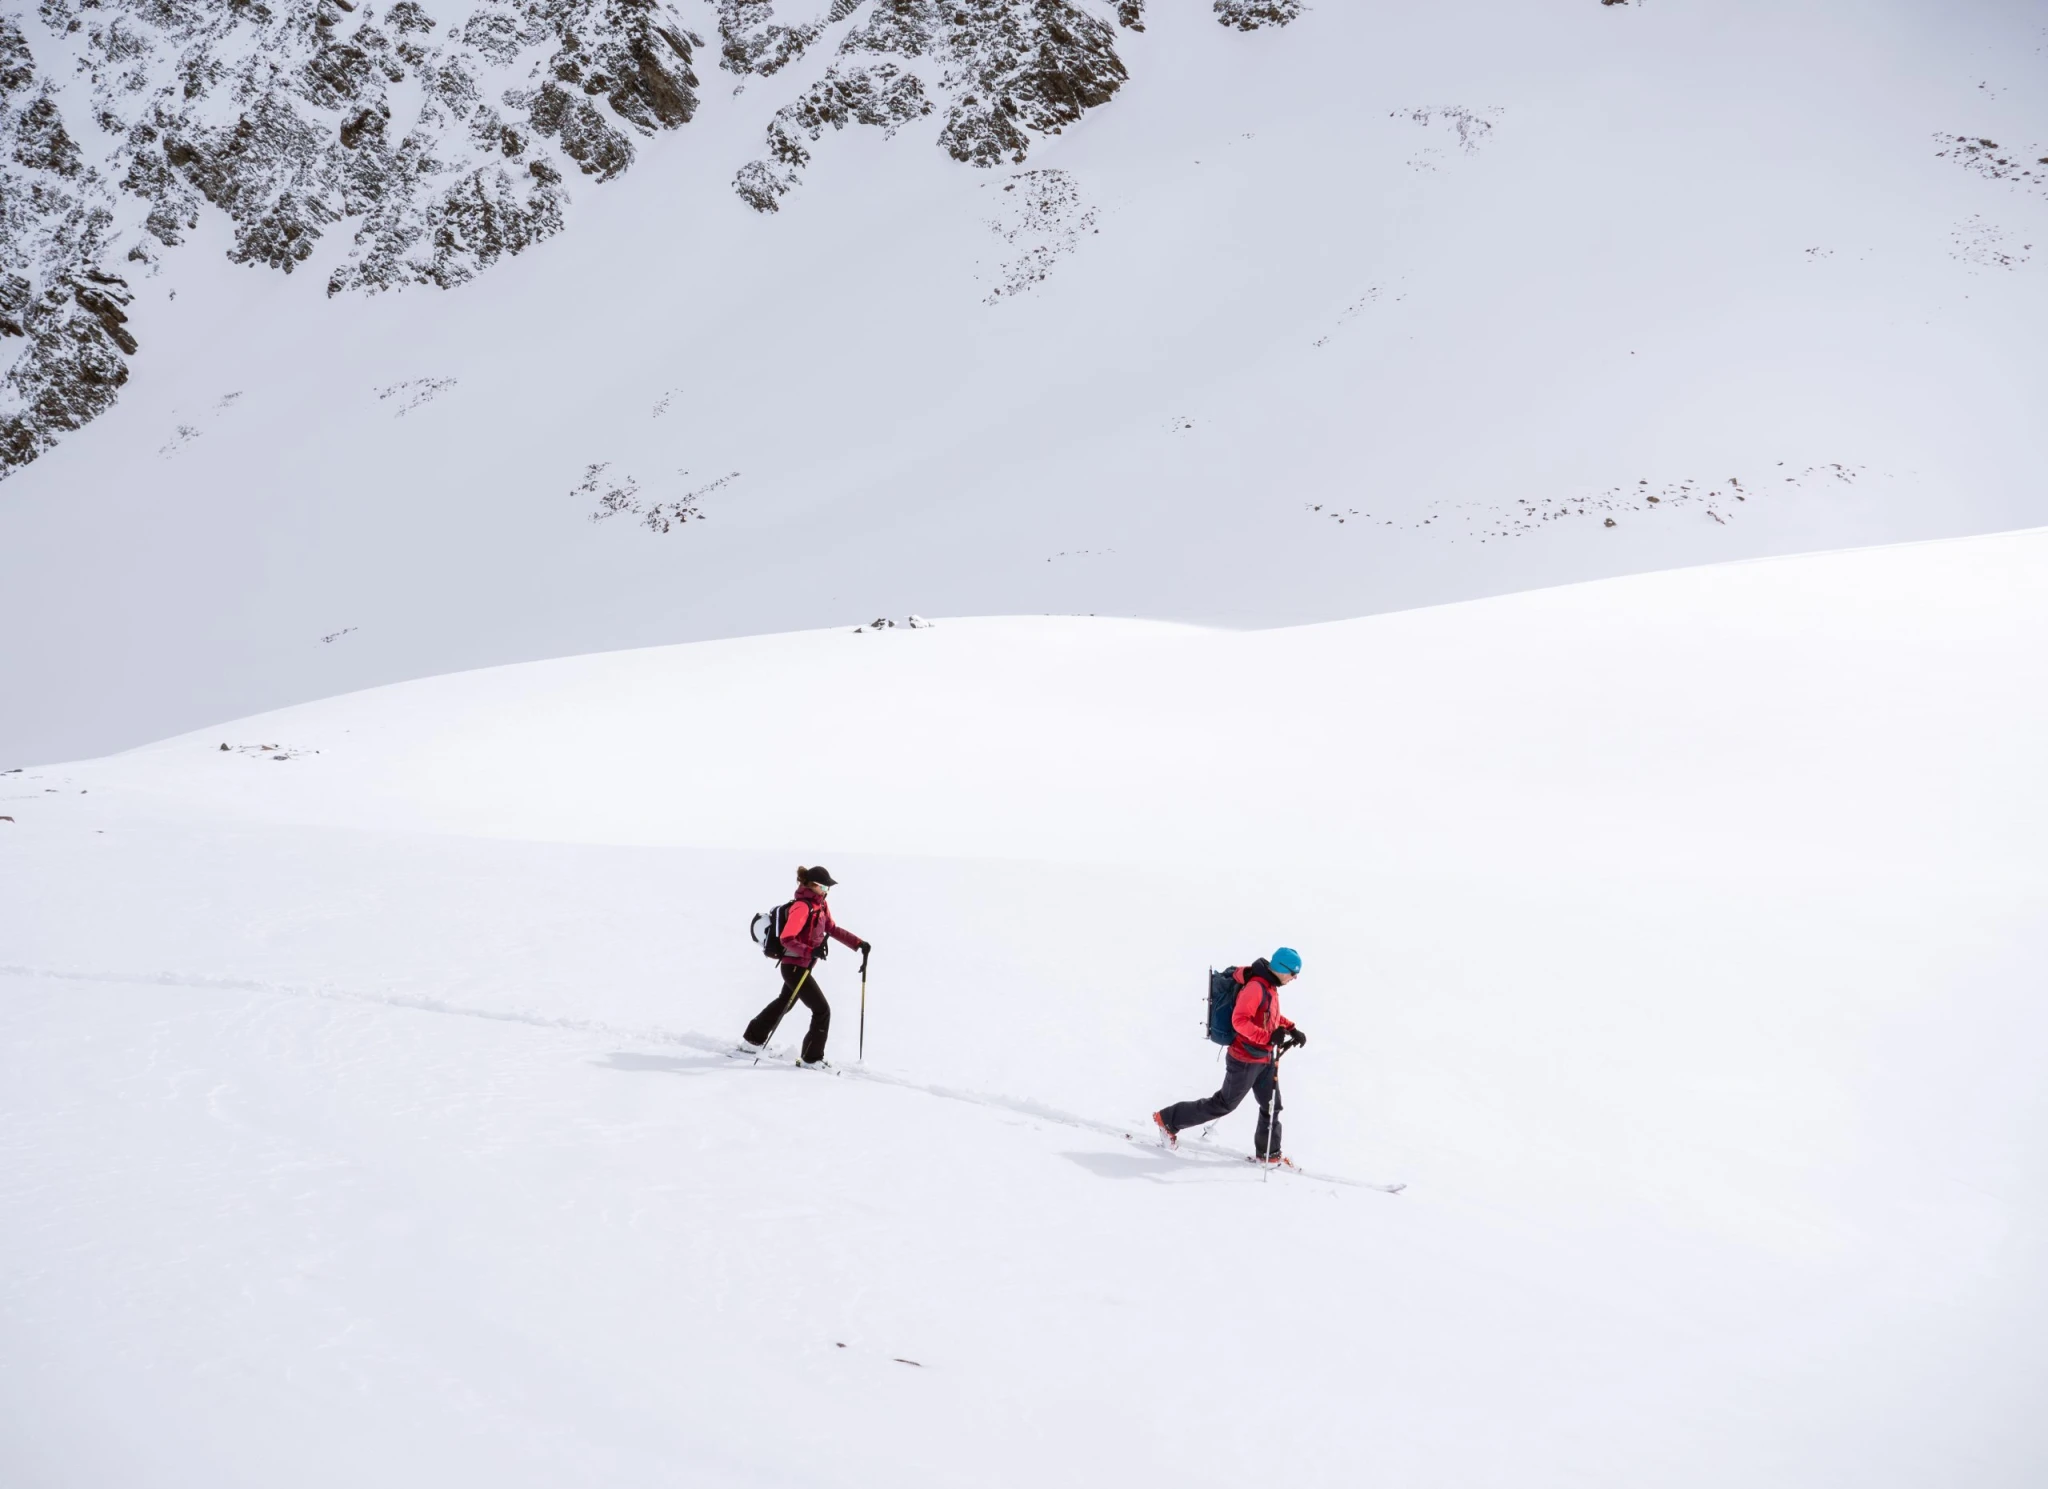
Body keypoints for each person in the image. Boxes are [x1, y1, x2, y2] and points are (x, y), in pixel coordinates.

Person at [1153, 947, 1306, 1165]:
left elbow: (1269, 1014)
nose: (1294, 978)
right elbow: (1239, 1021)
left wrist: (1290, 1028)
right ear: (1282, 969)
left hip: (1264, 1058)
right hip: (1244, 1059)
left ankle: (1269, 1156)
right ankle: (1168, 1120)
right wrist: (1269, 1037)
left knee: (1272, 1105)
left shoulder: (1270, 986)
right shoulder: (1255, 987)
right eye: (1293, 973)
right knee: (1223, 1104)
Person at [740, 865, 869, 1067]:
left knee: (785, 1002)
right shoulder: (802, 907)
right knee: (822, 1010)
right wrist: (811, 951)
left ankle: (752, 1040)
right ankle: (812, 1058)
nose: (828, 892)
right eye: (825, 888)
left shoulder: (821, 905)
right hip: (793, 967)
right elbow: (786, 938)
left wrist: (858, 943)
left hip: (803, 965)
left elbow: (832, 928)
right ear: (814, 886)